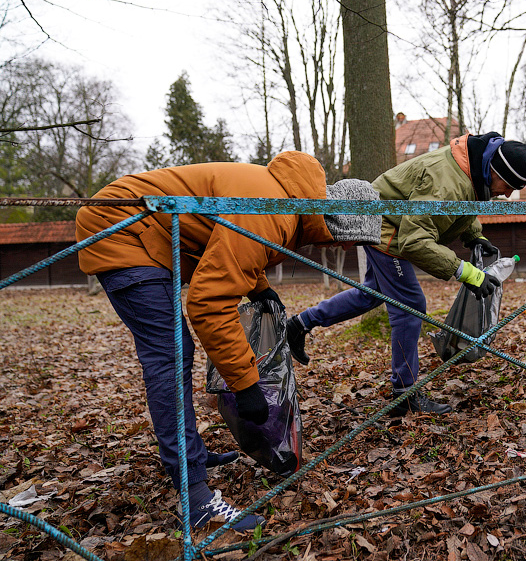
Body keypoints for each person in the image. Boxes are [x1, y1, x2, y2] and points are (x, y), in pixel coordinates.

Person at [75, 151, 381, 532]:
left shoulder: (283, 203)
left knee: (176, 351)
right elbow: (207, 300)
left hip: (146, 228)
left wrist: (260, 287)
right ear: (334, 223)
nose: (342, 249)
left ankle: (192, 457)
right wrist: (245, 383)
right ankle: (196, 495)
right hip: (122, 228)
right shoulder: (272, 213)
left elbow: (227, 247)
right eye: (348, 241)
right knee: (170, 354)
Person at [286, 132, 526, 416]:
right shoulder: (447, 181)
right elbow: (414, 240)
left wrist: (474, 236)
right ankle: (403, 394)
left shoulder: (471, 170)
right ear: (495, 170)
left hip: (394, 226)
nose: (507, 194)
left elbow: (457, 207)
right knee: (410, 307)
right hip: (386, 229)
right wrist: (467, 272)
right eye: (509, 185)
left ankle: (298, 324)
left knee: (370, 296)